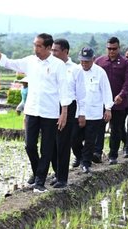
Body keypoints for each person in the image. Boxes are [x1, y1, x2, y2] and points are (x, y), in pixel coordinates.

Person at [0, 32, 71, 193]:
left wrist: (64, 112)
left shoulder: (58, 65)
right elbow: (7, 62)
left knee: (46, 149)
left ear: (48, 47)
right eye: (34, 45)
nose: (36, 48)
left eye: (39, 46)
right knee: (29, 145)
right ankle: (38, 172)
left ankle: (39, 181)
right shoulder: (30, 61)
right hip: (32, 110)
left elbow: (64, 90)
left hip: (50, 113)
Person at [49, 38, 86, 188]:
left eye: (56, 50)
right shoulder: (50, 66)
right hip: (51, 106)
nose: (53, 53)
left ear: (65, 51)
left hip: (68, 108)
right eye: (51, 50)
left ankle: (62, 179)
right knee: (50, 144)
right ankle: (57, 173)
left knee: (63, 143)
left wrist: (81, 114)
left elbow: (81, 94)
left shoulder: (75, 69)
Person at [73, 47, 113, 174]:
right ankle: (79, 157)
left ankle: (86, 162)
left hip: (94, 112)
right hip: (77, 112)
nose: (84, 64)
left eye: (87, 61)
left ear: (93, 59)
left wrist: (108, 108)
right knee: (74, 138)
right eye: (82, 61)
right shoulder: (75, 71)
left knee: (90, 140)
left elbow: (106, 91)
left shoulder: (100, 72)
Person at [94, 37, 128, 165]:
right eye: (109, 48)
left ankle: (113, 155)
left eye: (114, 49)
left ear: (119, 48)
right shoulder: (99, 62)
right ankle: (97, 153)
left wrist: (122, 95)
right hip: (101, 102)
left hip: (118, 102)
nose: (111, 51)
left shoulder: (125, 63)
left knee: (116, 129)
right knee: (99, 128)